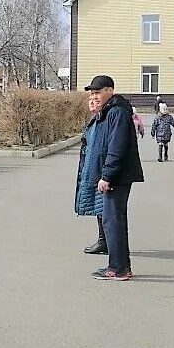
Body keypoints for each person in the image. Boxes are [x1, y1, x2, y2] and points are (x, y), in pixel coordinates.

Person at [84, 75, 145, 281]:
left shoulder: (117, 112)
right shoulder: (108, 112)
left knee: (113, 222)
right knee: (114, 221)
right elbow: (95, 140)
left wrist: (107, 175)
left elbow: (116, 147)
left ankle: (118, 269)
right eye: (92, 93)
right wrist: (96, 114)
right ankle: (120, 267)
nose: (95, 96)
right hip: (113, 176)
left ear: (110, 90)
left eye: (98, 92)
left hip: (116, 177)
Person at [76, 94, 106, 256]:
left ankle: (105, 241)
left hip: (100, 170)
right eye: (90, 100)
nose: (92, 103)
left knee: (104, 208)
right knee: (99, 207)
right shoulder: (94, 119)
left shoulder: (102, 120)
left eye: (96, 100)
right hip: (92, 168)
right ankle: (104, 240)